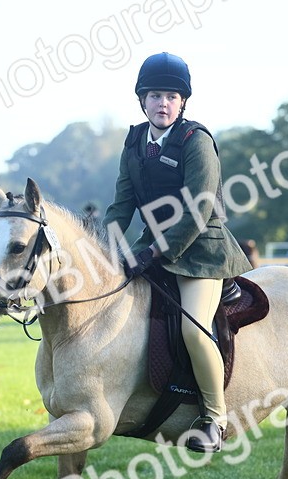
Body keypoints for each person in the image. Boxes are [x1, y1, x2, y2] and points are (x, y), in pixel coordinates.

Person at [101, 52, 253, 454]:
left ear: (182, 102)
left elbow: (199, 209)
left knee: (193, 329)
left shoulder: (196, 141)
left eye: (171, 96)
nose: (163, 104)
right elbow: (121, 205)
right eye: (155, 96)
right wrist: (104, 250)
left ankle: (214, 419)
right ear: (142, 100)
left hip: (202, 251)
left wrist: (153, 252)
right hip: (151, 247)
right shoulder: (134, 142)